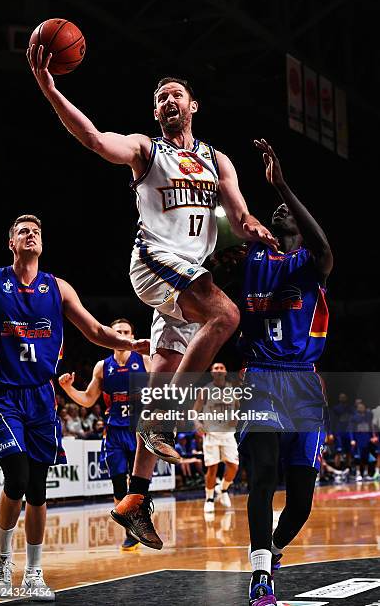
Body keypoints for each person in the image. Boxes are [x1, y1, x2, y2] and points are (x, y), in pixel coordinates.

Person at [27, 45, 278, 548]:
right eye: (160, 97)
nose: (168, 101)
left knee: (163, 374)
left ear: (193, 106)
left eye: (176, 95)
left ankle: (135, 501)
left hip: (188, 280)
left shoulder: (216, 159)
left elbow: (241, 214)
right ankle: (163, 423)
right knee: (225, 316)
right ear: (155, 111)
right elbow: (96, 140)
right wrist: (51, 89)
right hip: (155, 264)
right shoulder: (147, 150)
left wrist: (256, 229)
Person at [0, 215, 149, 598]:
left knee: (39, 490)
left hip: (42, 397)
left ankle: (34, 573)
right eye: (24, 232)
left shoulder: (57, 289)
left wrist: (131, 344)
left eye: (37, 232)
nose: (31, 235)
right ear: (12, 243)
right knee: (18, 478)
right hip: (2, 394)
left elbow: (94, 331)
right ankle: (3, 560)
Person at [215, 139, 333, 605]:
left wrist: (283, 183)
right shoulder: (250, 260)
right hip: (261, 376)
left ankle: (275, 549)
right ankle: (260, 575)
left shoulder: (311, 265)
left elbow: (324, 245)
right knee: (262, 477)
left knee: (301, 501)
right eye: (277, 206)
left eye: (288, 208)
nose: (280, 209)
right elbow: (204, 271)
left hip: (303, 381)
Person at [59, 317, 150, 551]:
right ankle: (130, 531)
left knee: (138, 488)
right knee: (119, 484)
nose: (121, 334)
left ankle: (141, 522)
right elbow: (89, 399)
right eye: (117, 331)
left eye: (126, 331)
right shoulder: (102, 366)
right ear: (110, 336)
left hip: (139, 431)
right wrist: (69, 388)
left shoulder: (145, 361)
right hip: (114, 433)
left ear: (132, 336)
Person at [193, 362, 239, 512]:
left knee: (233, 466)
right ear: (212, 373)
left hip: (228, 433)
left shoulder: (232, 390)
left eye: (221, 368)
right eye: (215, 368)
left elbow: (239, 408)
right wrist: (198, 424)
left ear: (225, 372)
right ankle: (209, 499)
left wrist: (237, 417)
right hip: (211, 433)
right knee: (212, 469)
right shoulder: (205, 390)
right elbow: (195, 411)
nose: (219, 370)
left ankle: (223, 489)